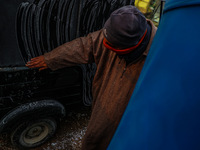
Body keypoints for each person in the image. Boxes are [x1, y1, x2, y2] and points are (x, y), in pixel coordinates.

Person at [26, 5, 157, 150]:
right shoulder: (114, 34)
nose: (104, 45)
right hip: (103, 110)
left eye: (111, 46)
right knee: (94, 137)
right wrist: (51, 59)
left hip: (130, 120)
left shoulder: (158, 58)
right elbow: (84, 45)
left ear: (129, 47)